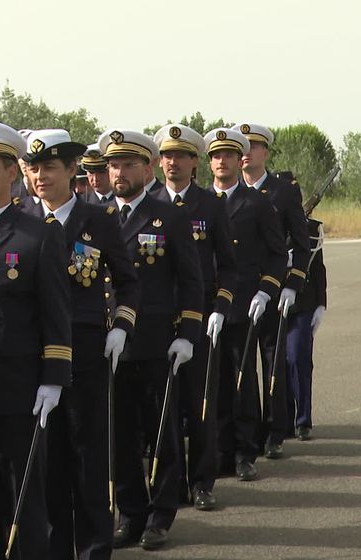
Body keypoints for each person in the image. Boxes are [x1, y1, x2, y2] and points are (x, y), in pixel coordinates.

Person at [23, 128, 139, 560]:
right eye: (32, 169)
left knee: (88, 453)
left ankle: (94, 553)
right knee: (47, 459)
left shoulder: (99, 220)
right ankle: (55, 553)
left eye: (49, 168)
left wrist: (121, 325)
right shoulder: (22, 220)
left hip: (87, 350)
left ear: (73, 171)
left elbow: (129, 281)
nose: (39, 177)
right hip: (35, 357)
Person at [98, 128, 204, 549]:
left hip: (157, 342)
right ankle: (131, 513)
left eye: (127, 164)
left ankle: (161, 514)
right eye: (113, 165)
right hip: (109, 345)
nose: (119, 172)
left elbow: (191, 280)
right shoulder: (97, 215)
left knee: (160, 429)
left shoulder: (168, 216)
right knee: (120, 434)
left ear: (147, 168)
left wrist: (189, 333)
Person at [0, 122, 72, 560]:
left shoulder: (36, 234)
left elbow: (56, 314)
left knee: (22, 494)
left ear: (9, 172)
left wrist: (54, 379)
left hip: (19, 386)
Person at [152, 123, 237, 510]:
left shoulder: (210, 205)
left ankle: (203, 482)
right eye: (166, 155)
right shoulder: (149, 202)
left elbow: (230, 267)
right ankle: (169, 485)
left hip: (199, 317)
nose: (172, 163)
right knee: (162, 411)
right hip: (155, 320)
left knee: (200, 404)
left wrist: (220, 307)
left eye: (180, 156)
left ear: (193, 161)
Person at [204, 127, 287, 481]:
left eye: (228, 155)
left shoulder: (256, 203)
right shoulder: (200, 203)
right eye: (215, 155)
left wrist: (265, 291)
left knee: (241, 381)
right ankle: (219, 450)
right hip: (204, 308)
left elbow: (276, 254)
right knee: (212, 383)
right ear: (209, 162)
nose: (222, 161)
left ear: (240, 161)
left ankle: (243, 450)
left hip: (240, 306)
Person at [232, 123, 310, 457]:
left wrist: (293, 284)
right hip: (239, 293)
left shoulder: (283, 191)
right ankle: (248, 431)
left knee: (272, 362)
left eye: (254, 146)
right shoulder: (224, 191)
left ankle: (275, 430)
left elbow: (302, 244)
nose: (247, 153)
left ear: (266, 153)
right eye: (242, 147)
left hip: (274, 289)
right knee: (242, 367)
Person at [286, 217, 327, 440]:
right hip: (272, 301)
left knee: (298, 357)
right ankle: (281, 420)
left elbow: (318, 268)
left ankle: (303, 420)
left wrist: (321, 303)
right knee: (278, 363)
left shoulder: (310, 229)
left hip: (303, 303)